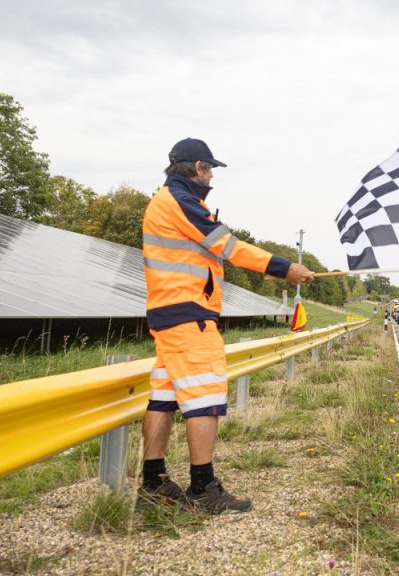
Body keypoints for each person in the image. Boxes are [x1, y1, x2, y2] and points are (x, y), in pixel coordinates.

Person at [139, 138, 314, 513]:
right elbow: (229, 247)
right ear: (198, 167)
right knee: (205, 397)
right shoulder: (180, 201)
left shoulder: (167, 201)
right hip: (189, 315)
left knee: (164, 397)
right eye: (211, 169)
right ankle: (203, 488)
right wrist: (285, 268)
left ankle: (153, 483)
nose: (212, 176)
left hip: (169, 313)